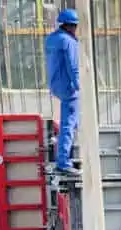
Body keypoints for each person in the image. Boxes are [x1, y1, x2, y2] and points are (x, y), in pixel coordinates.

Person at [44, 9, 81, 178]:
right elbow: (73, 67)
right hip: (68, 87)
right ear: (71, 26)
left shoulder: (51, 39)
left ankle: (68, 156)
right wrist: (79, 86)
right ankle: (64, 162)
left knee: (72, 121)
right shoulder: (68, 42)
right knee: (69, 123)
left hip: (55, 85)